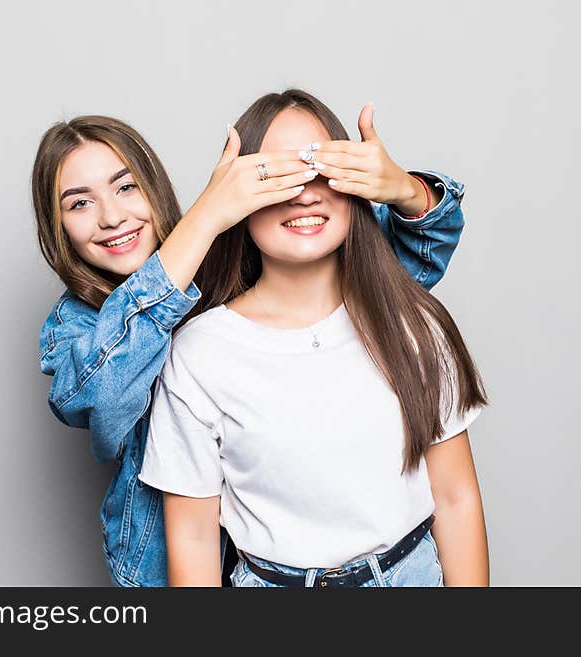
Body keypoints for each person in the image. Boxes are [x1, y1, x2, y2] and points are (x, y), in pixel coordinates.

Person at [34, 103, 468, 586]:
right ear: (59, 231)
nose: (112, 217)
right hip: (188, 565)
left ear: (153, 187)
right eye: (79, 203)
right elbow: (102, 402)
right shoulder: (75, 329)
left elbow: (392, 269)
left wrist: (407, 191)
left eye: (126, 186)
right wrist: (206, 216)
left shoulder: (230, 265)